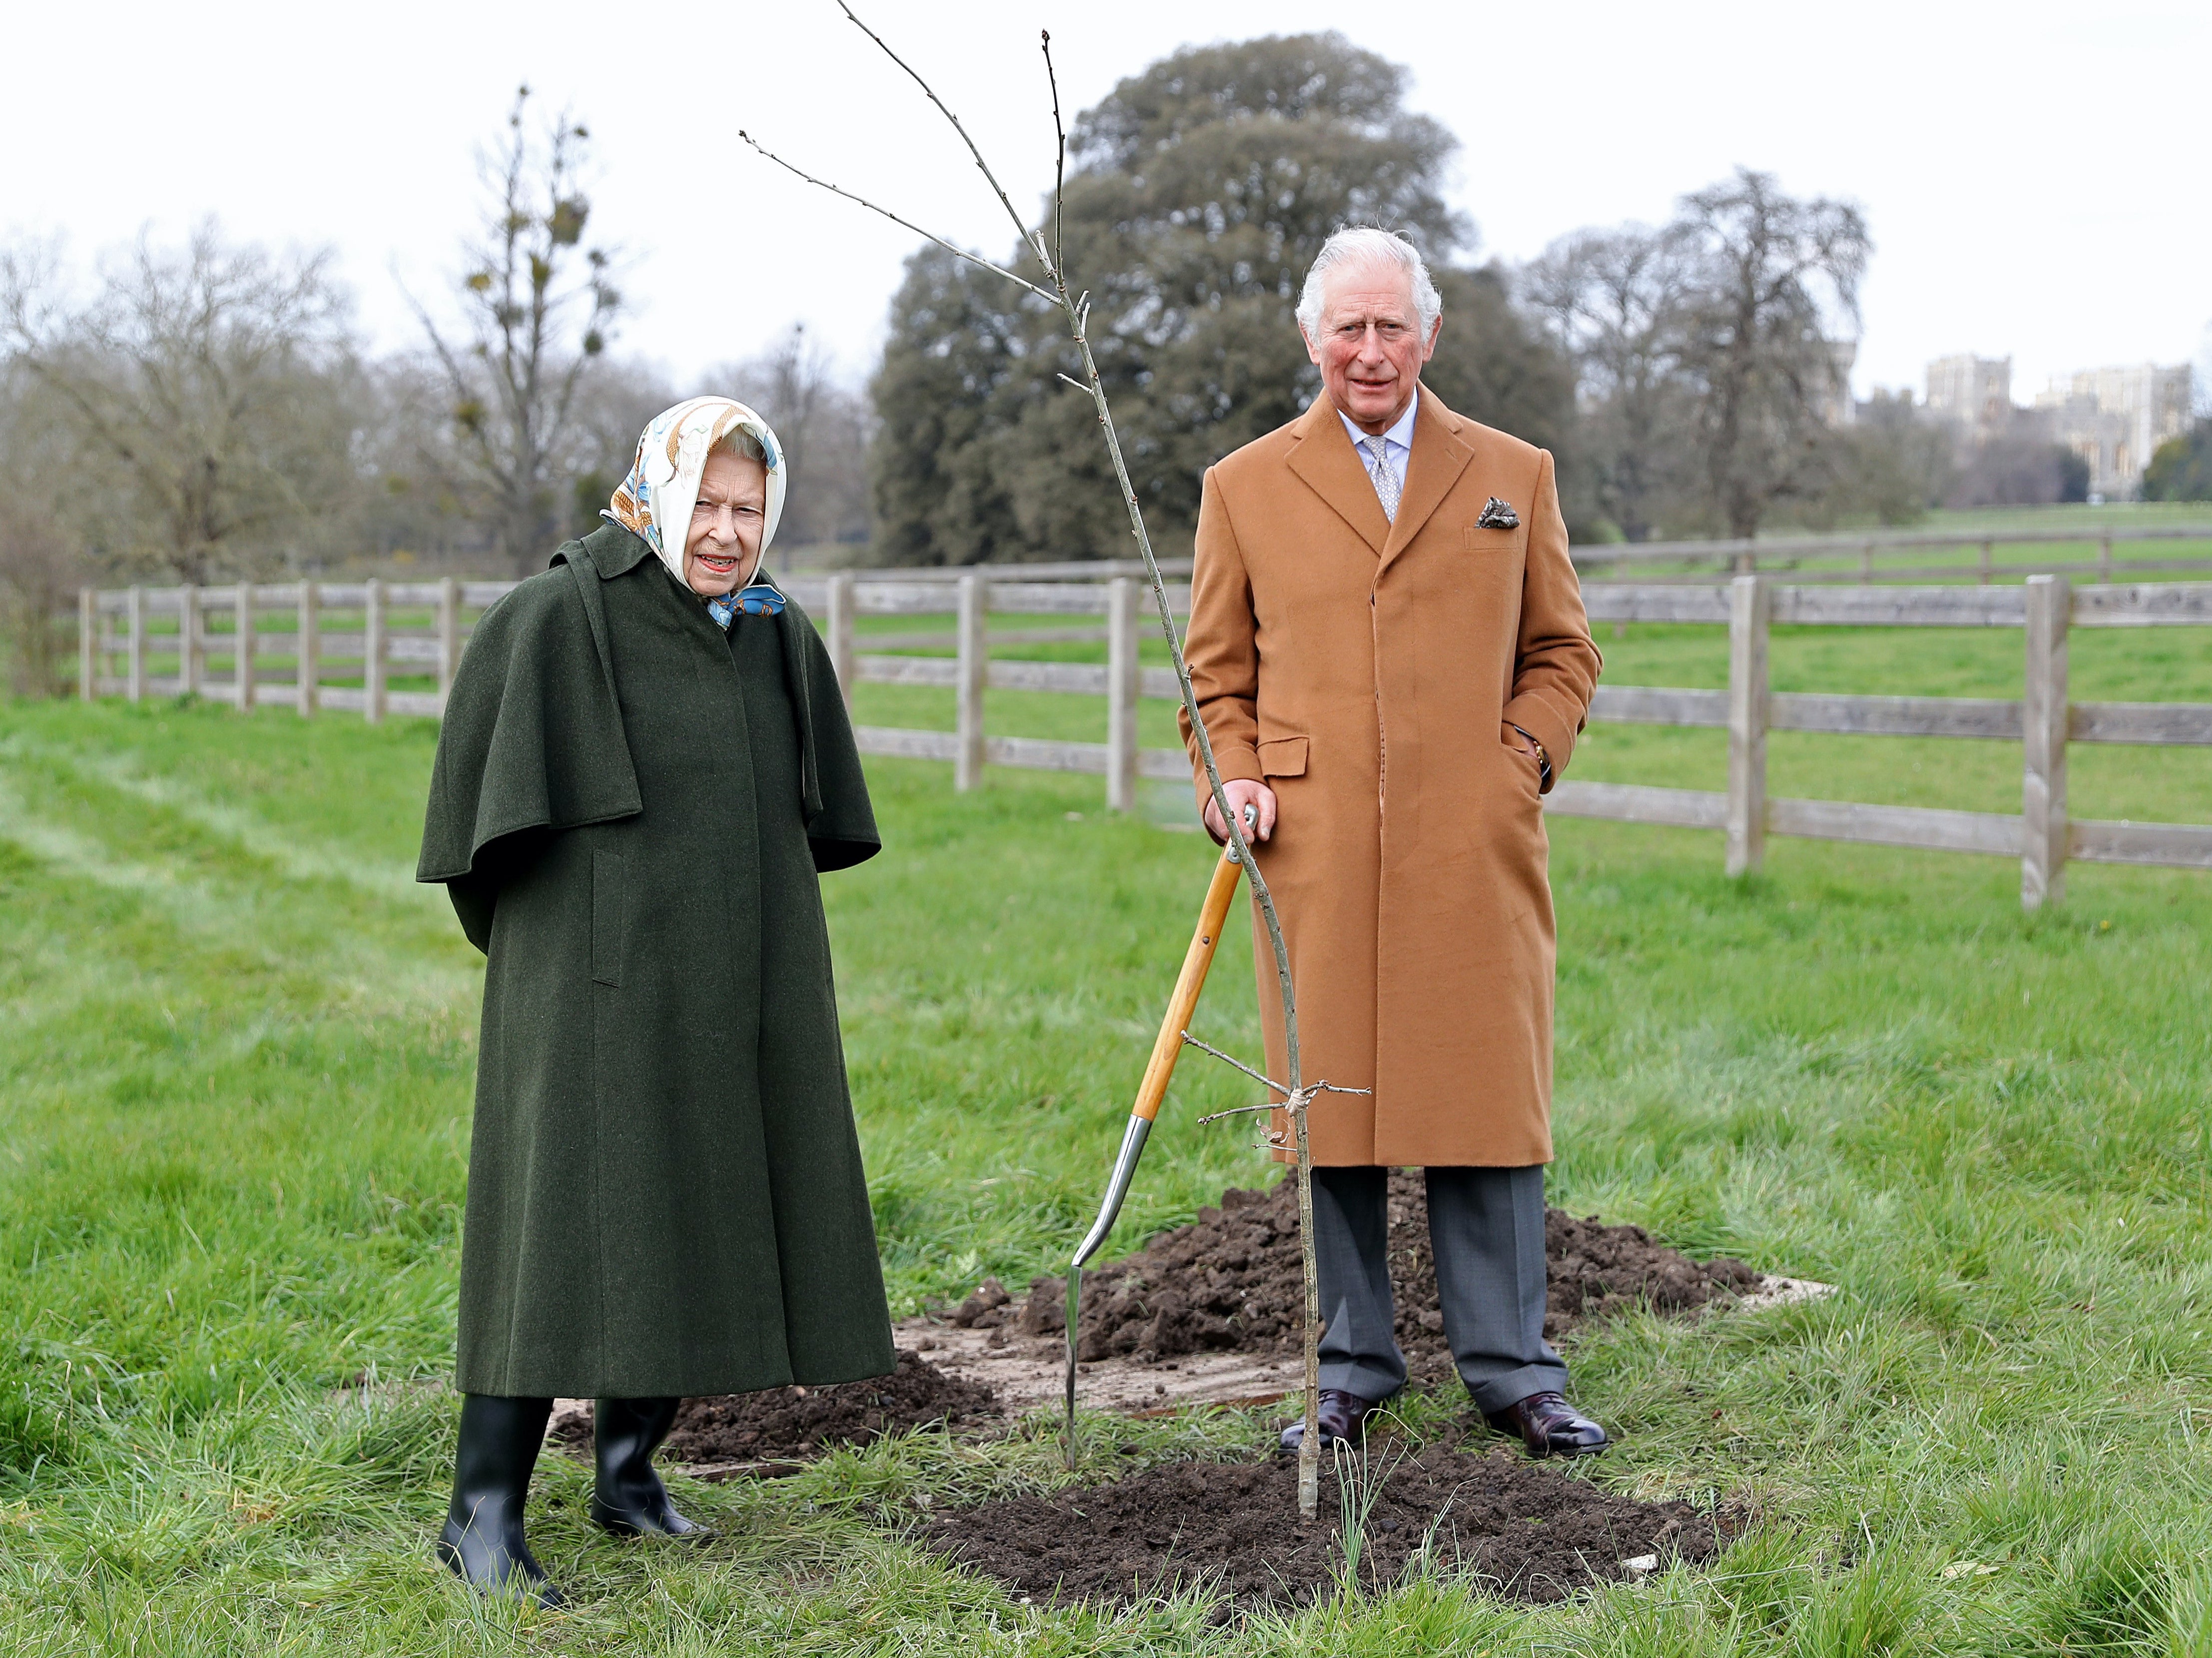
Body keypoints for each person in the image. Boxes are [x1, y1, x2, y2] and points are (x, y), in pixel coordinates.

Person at [416, 396, 893, 1603]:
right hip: (592, 985)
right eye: (711, 504)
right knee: (556, 1226)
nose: (729, 532)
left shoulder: (773, 634)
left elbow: (815, 814)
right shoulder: (554, 617)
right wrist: (566, 960)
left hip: (741, 977)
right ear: (659, 490)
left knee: (697, 1200)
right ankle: (481, 1514)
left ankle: (628, 1475)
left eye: (751, 509)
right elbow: (479, 844)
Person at [1179, 228, 1607, 1460]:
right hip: (1310, 849)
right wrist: (1240, 781)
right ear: (1312, 339)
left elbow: (1564, 651)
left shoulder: (1510, 473)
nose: (1371, 351)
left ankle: (1515, 1371)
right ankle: (1351, 1368)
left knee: (1484, 1096)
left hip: (1471, 842)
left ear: (1431, 334)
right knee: (1336, 1102)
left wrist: (1517, 761)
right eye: (1348, 329)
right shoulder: (1244, 485)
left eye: (1392, 327)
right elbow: (1214, 678)